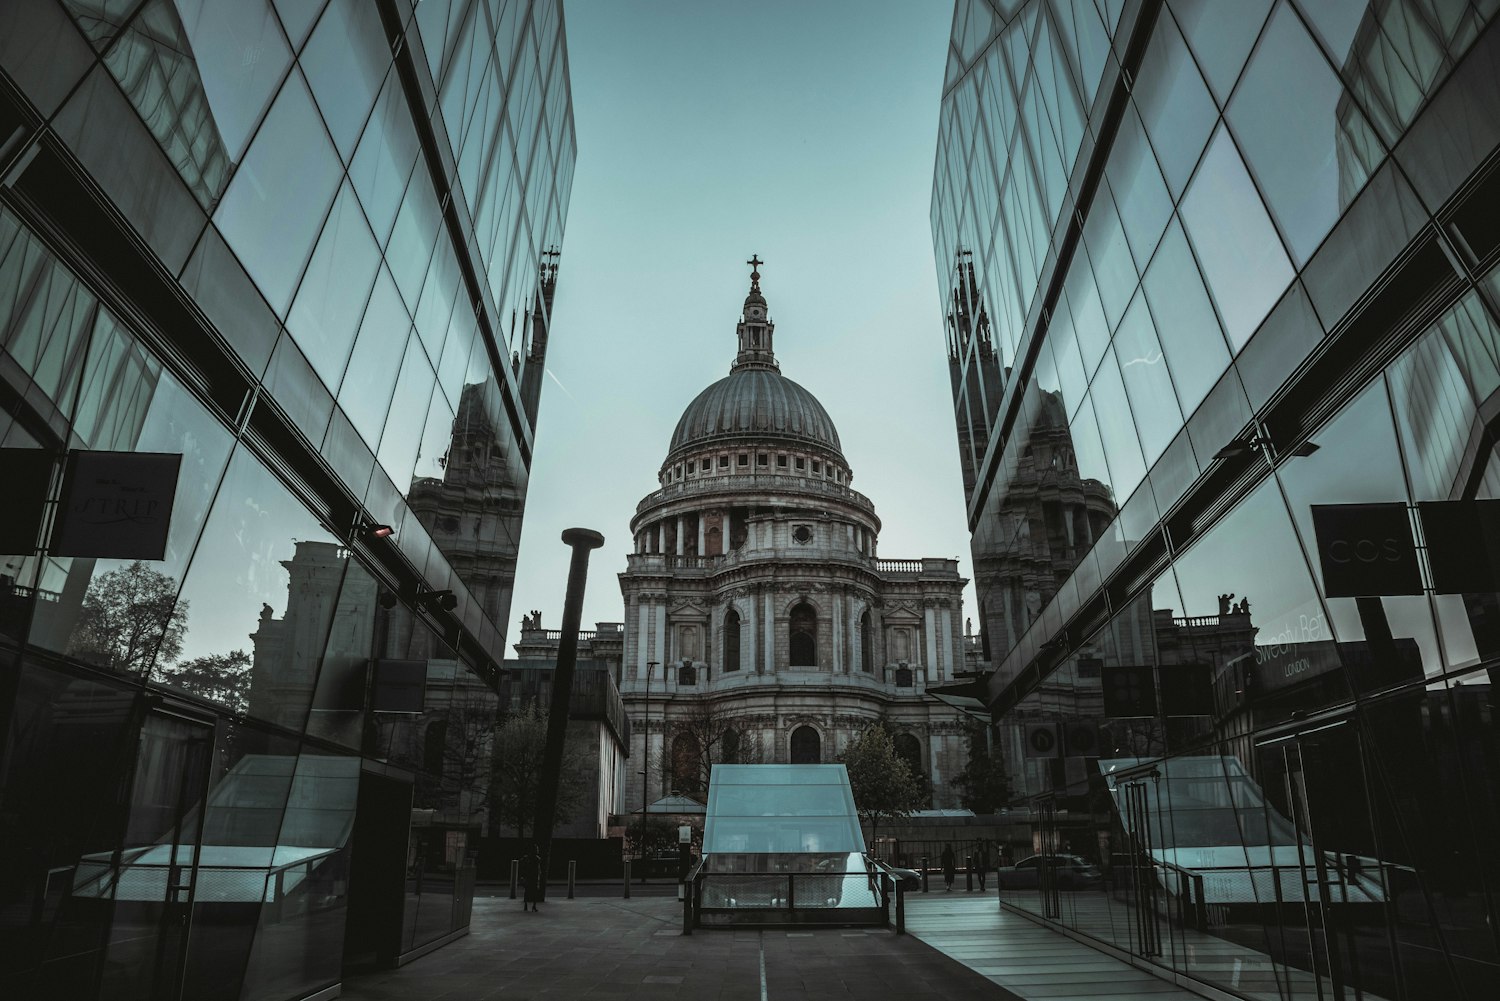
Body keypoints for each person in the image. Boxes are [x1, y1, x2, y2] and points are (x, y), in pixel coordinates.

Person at [519, 845, 542, 912]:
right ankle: (533, 906)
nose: (538, 850)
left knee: (527, 891)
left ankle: (526, 905)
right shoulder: (537, 858)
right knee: (534, 891)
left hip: (529, 876)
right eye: (537, 849)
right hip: (532, 876)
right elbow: (538, 868)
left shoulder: (527, 857)